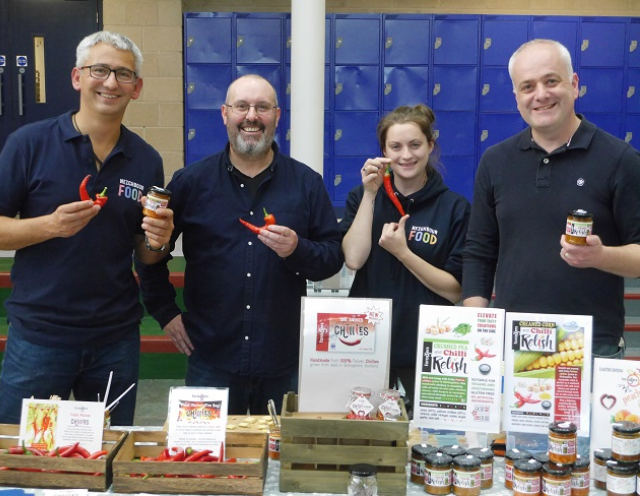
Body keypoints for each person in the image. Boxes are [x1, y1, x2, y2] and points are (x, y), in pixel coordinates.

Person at [0, 31, 174, 425]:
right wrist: (49, 226)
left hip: (115, 339)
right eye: (99, 70)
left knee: (109, 459)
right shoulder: (29, 143)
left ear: (136, 88)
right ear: (76, 77)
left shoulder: (146, 160)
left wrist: (161, 241)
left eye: (123, 74)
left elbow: (145, 252)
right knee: (26, 461)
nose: (110, 82)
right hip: (40, 337)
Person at [136, 74, 344, 414]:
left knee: (277, 459)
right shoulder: (191, 182)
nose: (251, 116)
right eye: (242, 107)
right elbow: (150, 250)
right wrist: (165, 312)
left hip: (282, 360)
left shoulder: (306, 183)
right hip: (211, 358)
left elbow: (332, 256)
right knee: (210, 463)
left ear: (277, 116)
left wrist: (297, 249)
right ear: (224, 114)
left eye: (262, 107)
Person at [462, 39, 640, 358]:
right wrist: (478, 323)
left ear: (574, 85)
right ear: (516, 97)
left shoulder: (620, 160)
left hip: (590, 346)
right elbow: (479, 251)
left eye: (551, 81)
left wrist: (600, 257)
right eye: (528, 86)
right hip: (513, 343)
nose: (540, 95)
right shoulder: (495, 161)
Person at [339, 105, 471, 407]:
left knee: (432, 442)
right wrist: (371, 194)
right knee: (367, 441)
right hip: (368, 346)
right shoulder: (362, 197)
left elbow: (455, 290)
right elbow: (354, 260)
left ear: (430, 146)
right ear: (384, 151)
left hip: (430, 349)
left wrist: (403, 253)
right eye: (395, 147)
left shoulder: (454, 208)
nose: (406, 155)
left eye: (415, 145)